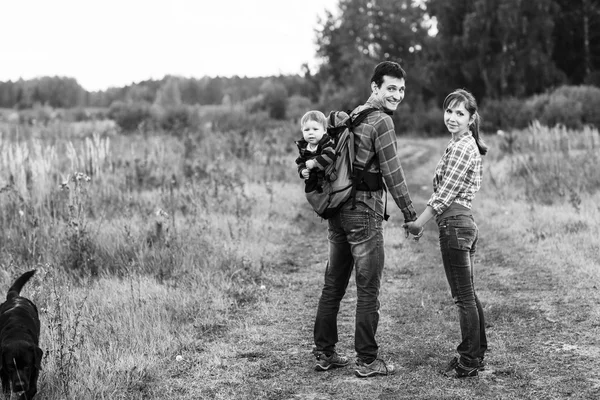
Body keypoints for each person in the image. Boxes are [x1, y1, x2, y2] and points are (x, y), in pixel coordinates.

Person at [312, 61, 417, 378]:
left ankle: (324, 353)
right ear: (375, 87)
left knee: (334, 285)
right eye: (390, 88)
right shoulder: (382, 122)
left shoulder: (355, 114)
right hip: (364, 214)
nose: (396, 95)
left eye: (400, 90)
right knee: (368, 289)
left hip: (338, 210)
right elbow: (393, 173)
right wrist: (410, 213)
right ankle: (368, 361)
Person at [403, 88, 489, 378]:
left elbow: (444, 196)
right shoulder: (460, 145)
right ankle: (476, 353)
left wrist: (418, 224)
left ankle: (468, 360)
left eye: (460, 113)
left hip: (455, 226)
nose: (452, 118)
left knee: (463, 297)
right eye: (449, 111)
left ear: (471, 118)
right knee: (468, 294)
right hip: (461, 224)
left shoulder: (464, 147)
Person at [295, 110, 335, 193]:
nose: (311, 133)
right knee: (313, 198)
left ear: (324, 130)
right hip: (312, 184)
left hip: (328, 182)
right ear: (302, 130)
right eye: (306, 130)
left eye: (315, 129)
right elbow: (300, 161)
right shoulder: (304, 147)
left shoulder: (326, 143)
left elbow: (331, 155)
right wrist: (302, 170)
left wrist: (314, 163)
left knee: (327, 201)